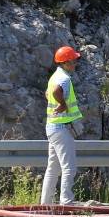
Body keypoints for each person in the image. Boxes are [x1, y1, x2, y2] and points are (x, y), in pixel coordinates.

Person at [42, 45, 83, 206]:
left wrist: (59, 104)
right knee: (69, 167)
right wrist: (63, 104)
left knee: (53, 168)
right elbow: (55, 92)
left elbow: (47, 93)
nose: (75, 64)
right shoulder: (64, 79)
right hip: (60, 128)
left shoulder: (54, 76)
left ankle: (45, 203)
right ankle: (66, 201)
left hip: (52, 127)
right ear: (65, 63)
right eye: (73, 61)